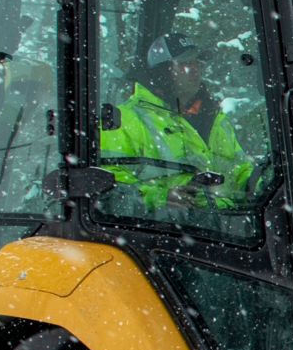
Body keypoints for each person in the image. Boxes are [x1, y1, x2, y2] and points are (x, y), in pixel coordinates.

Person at [100, 28, 259, 213]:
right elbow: (109, 183)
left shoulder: (215, 119)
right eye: (184, 63)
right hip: (163, 230)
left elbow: (239, 171)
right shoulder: (126, 119)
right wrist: (160, 197)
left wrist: (260, 184)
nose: (195, 69)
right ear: (162, 74)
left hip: (226, 224)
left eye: (197, 62)